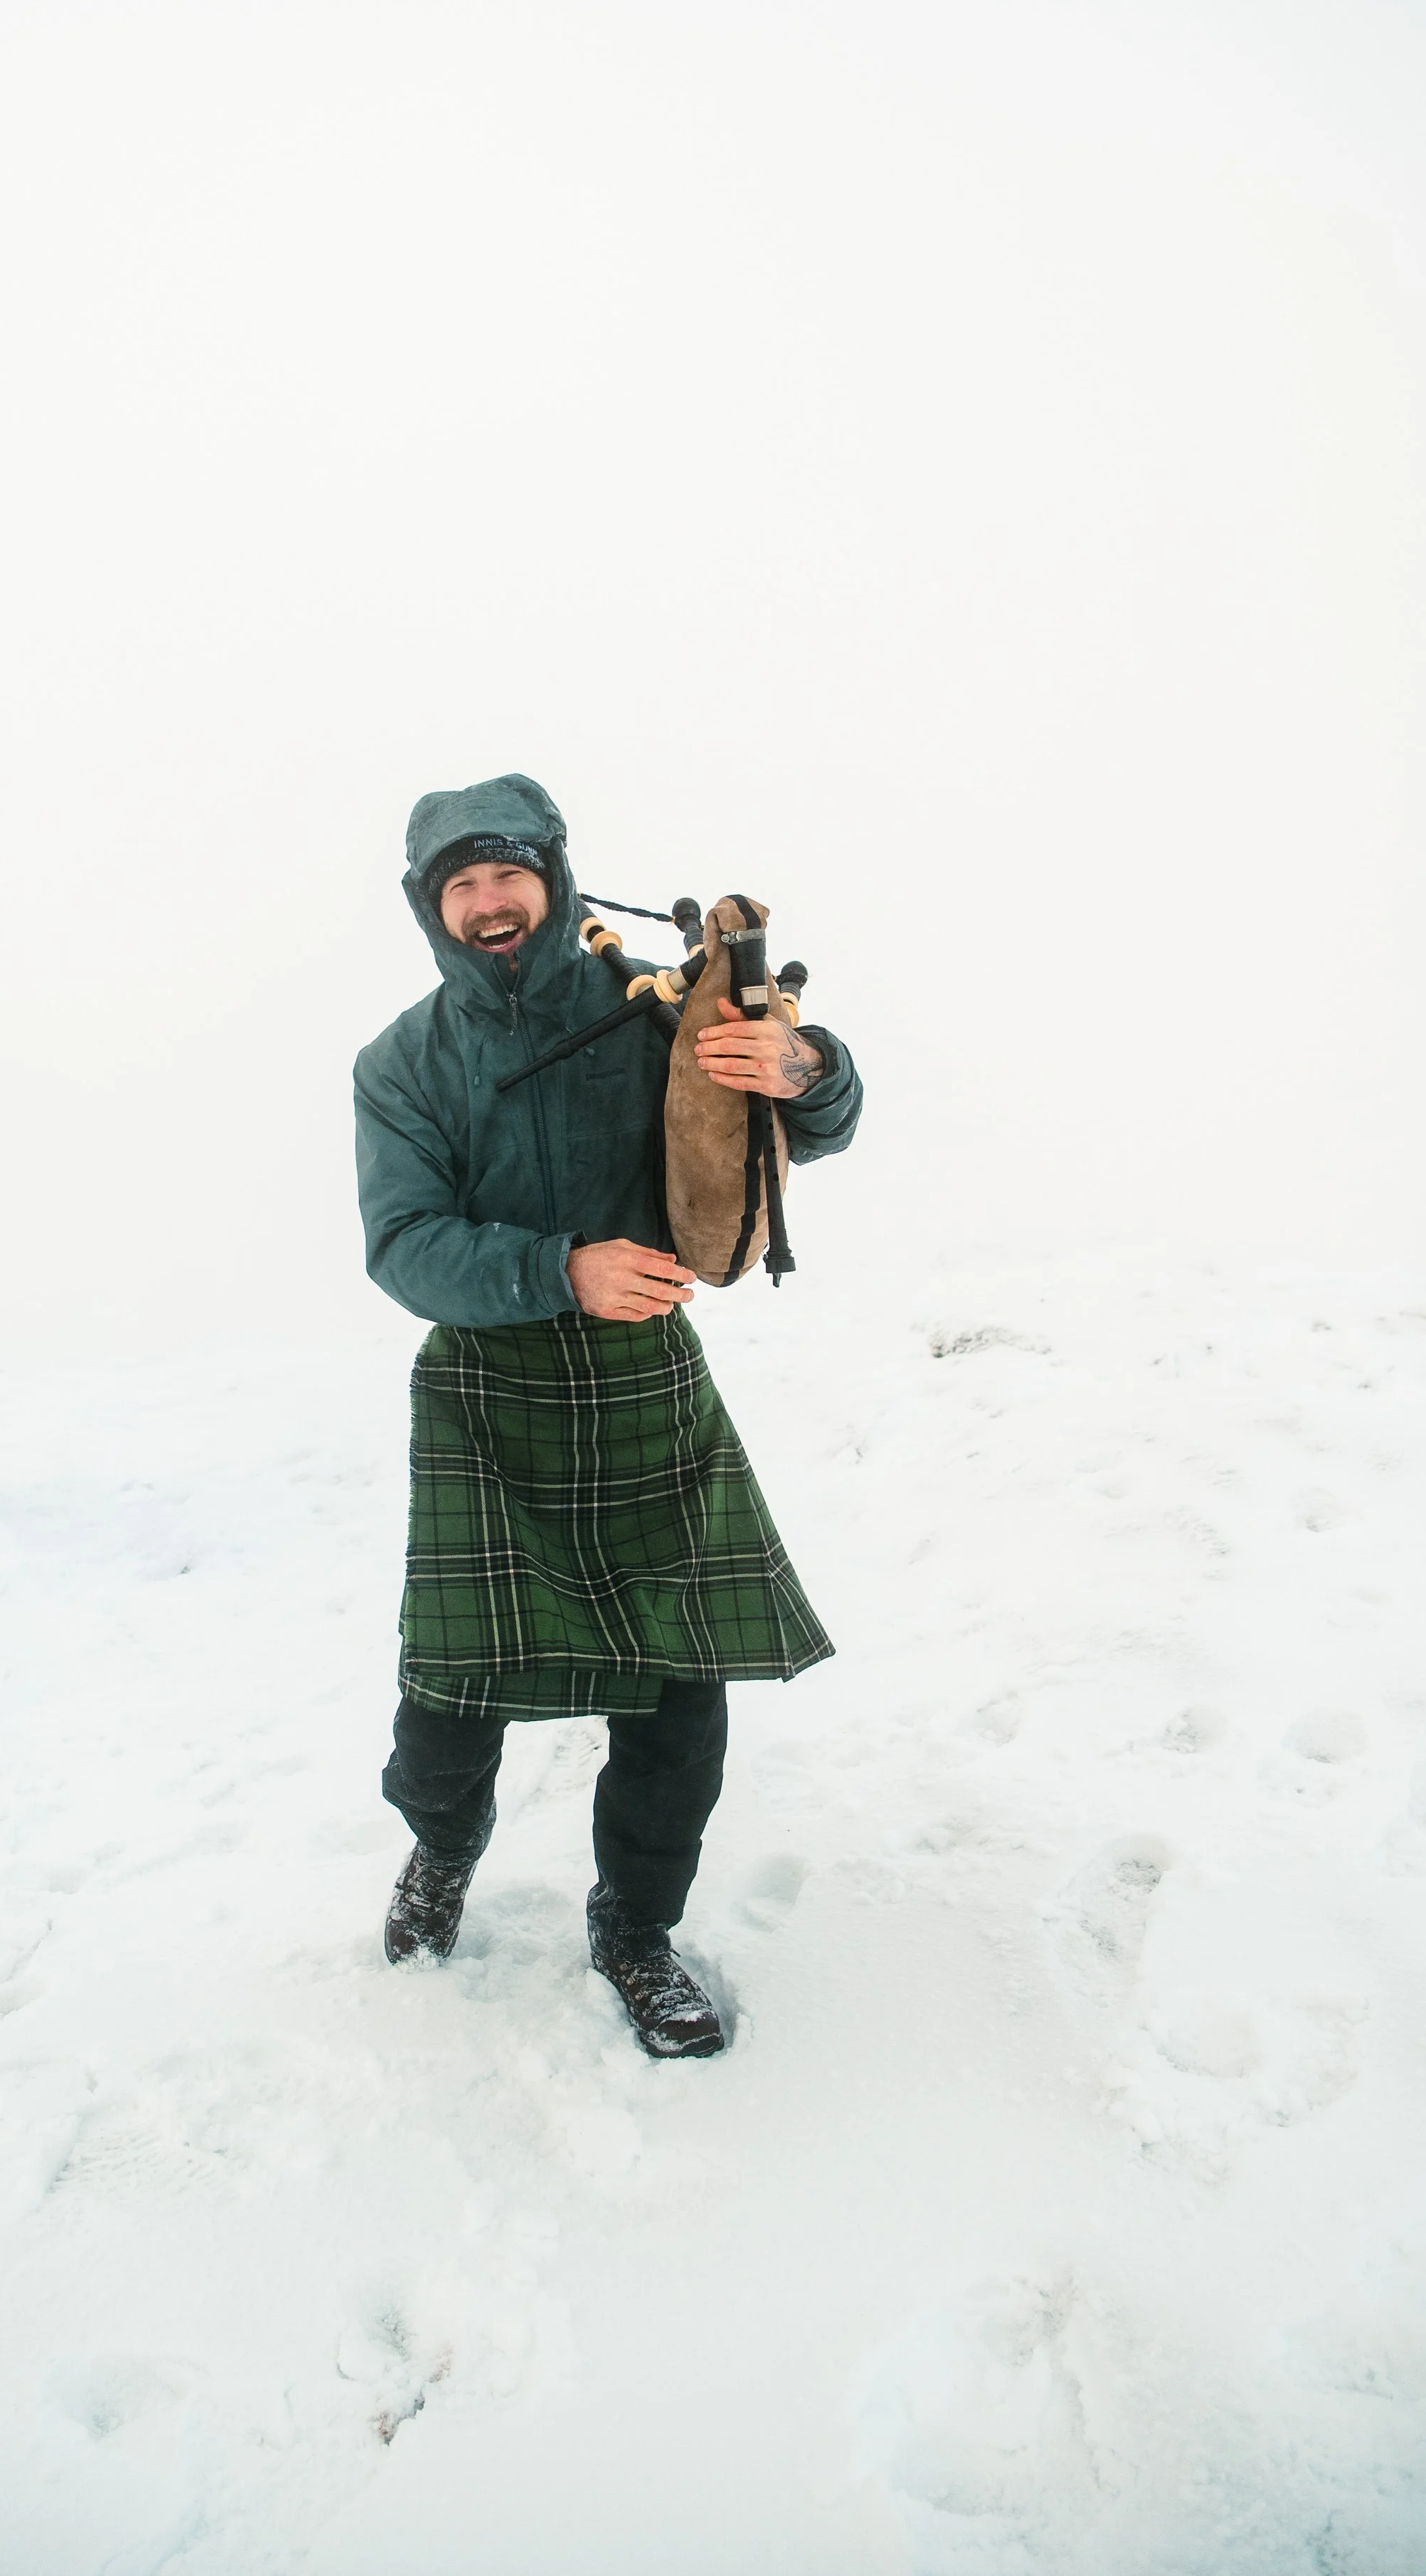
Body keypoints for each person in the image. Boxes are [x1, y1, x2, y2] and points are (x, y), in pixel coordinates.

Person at [353, 774, 862, 2056]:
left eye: (505, 874)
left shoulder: (656, 1010)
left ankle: (636, 1928)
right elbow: (403, 1243)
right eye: (458, 884)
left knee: (679, 1686)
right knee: (450, 1695)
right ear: (431, 907)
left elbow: (817, 1122)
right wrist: (558, 1267)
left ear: (553, 876)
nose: (487, 902)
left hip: (645, 1382)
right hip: (487, 1390)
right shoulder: (400, 1063)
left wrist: (804, 1065)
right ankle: (439, 1852)